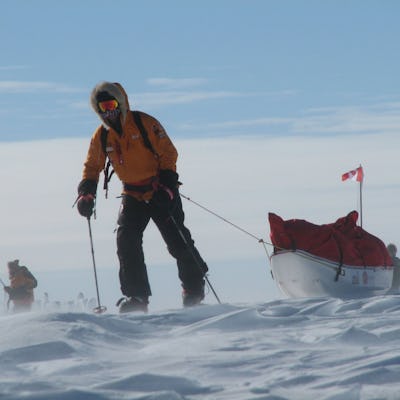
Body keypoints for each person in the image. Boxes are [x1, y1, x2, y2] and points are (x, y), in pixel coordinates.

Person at [76, 81, 208, 313]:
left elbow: (169, 152)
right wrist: (86, 193)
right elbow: (92, 165)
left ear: (121, 102)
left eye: (111, 104)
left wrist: (167, 187)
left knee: (177, 240)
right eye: (103, 107)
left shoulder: (144, 123)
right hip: (132, 193)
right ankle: (137, 297)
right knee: (126, 241)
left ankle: (194, 287)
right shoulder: (102, 136)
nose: (109, 111)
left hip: (159, 190)